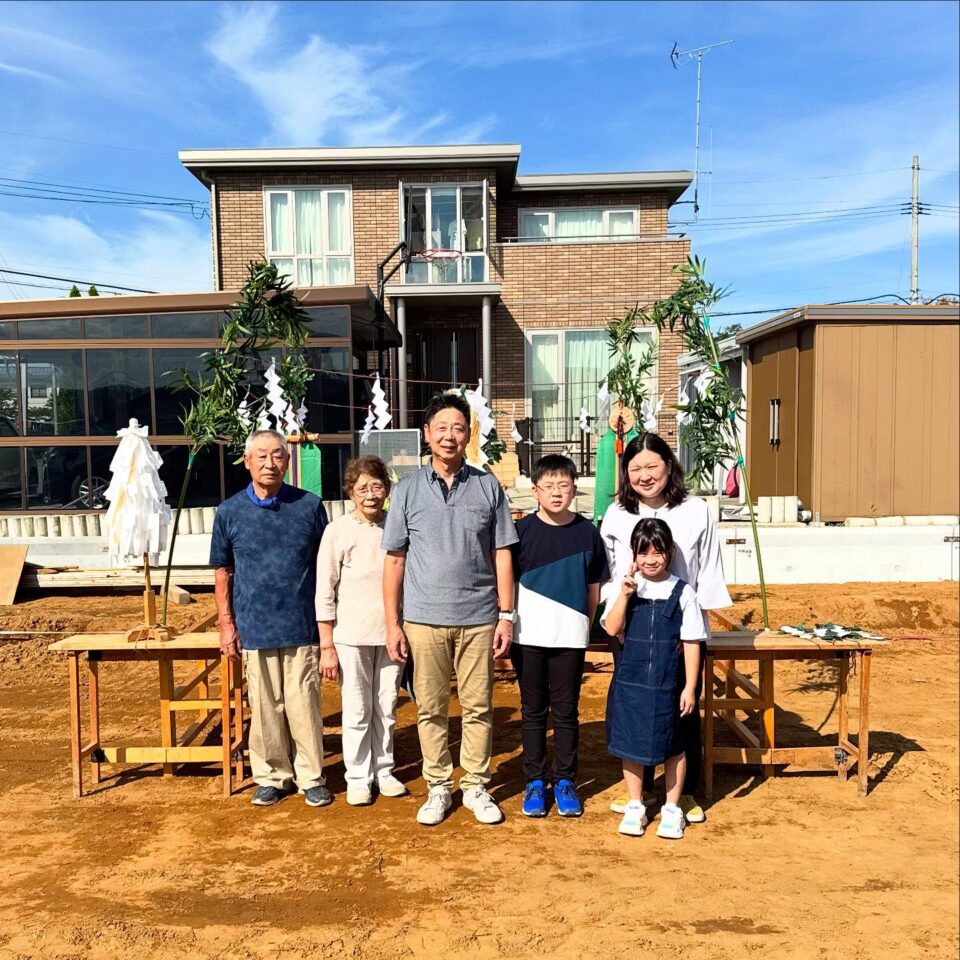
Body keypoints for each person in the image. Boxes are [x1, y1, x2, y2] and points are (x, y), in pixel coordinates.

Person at [382, 392, 518, 826]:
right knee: (430, 708)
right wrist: (393, 624)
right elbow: (395, 560)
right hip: (422, 620)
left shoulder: (487, 486)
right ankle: (439, 786)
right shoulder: (405, 490)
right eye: (441, 427)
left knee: (478, 706)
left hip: (479, 619)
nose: (450, 436)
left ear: (468, 434)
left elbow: (502, 554)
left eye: (458, 428)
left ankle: (476, 784)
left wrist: (506, 615)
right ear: (427, 434)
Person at [599, 432, 732, 823]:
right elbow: (611, 571)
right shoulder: (618, 514)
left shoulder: (695, 510)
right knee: (635, 706)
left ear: (669, 466)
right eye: (635, 468)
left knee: (681, 709)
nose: (643, 475)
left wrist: (696, 628)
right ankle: (640, 792)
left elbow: (707, 567)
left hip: (680, 624)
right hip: (633, 624)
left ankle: (683, 794)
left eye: (651, 466)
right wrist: (615, 613)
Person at [211, 429, 331, 808]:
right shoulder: (229, 512)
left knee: (304, 704)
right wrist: (226, 623)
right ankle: (272, 776)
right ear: (246, 462)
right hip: (255, 626)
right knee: (264, 707)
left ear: (288, 461)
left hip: (302, 624)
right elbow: (221, 572)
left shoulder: (309, 506)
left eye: (278, 456)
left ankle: (311, 776)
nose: (270, 463)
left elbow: (325, 568)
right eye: (261, 456)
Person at [510, 454, 608, 818]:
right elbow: (506, 581)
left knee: (566, 712)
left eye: (563, 485)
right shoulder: (520, 534)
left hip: (570, 637)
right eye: (548, 486)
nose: (556, 493)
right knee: (533, 711)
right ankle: (535, 781)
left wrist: (584, 623)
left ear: (574, 489)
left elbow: (594, 588)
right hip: (528, 636)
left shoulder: (588, 534)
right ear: (535, 491)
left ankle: (566, 780)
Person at [602, 518, 705, 839]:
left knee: (674, 746)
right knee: (630, 746)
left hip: (668, 685)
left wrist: (689, 686)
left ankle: (672, 809)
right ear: (634, 554)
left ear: (670, 552)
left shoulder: (683, 592)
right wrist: (625, 595)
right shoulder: (625, 588)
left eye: (657, 552)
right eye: (643, 552)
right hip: (630, 685)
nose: (650, 559)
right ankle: (636, 806)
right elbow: (612, 629)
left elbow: (691, 643)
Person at [315, 455, 407, 807]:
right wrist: (327, 643)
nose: (370, 494)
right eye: (362, 488)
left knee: (386, 705)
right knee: (355, 708)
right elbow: (325, 588)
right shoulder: (337, 531)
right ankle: (357, 776)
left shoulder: (396, 526)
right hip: (350, 634)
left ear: (387, 490)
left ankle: (384, 770)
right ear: (350, 492)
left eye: (377, 486)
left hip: (391, 633)